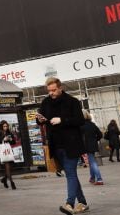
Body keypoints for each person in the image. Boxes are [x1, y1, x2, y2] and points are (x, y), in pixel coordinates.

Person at [36, 77, 89, 214]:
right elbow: (41, 119)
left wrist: (62, 120)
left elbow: (79, 120)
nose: (51, 93)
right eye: (49, 91)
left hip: (71, 143)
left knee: (70, 174)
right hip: (55, 144)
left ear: (60, 88)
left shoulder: (72, 102)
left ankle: (69, 203)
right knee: (71, 174)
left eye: (54, 90)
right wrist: (40, 120)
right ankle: (82, 202)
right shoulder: (46, 102)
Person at [80, 110, 103, 185]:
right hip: (93, 145)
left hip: (85, 146)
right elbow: (100, 135)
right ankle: (92, 178)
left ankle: (99, 179)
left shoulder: (80, 125)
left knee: (92, 162)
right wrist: (94, 140)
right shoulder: (92, 124)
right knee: (91, 161)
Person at [0, 120, 17, 190]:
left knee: (10, 167)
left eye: (6, 126)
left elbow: (14, 142)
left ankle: (4, 179)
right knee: (7, 167)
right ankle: (12, 182)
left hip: (9, 151)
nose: (5, 127)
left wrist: (10, 139)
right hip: (2, 152)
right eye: (4, 126)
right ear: (1, 127)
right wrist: (3, 139)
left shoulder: (9, 133)